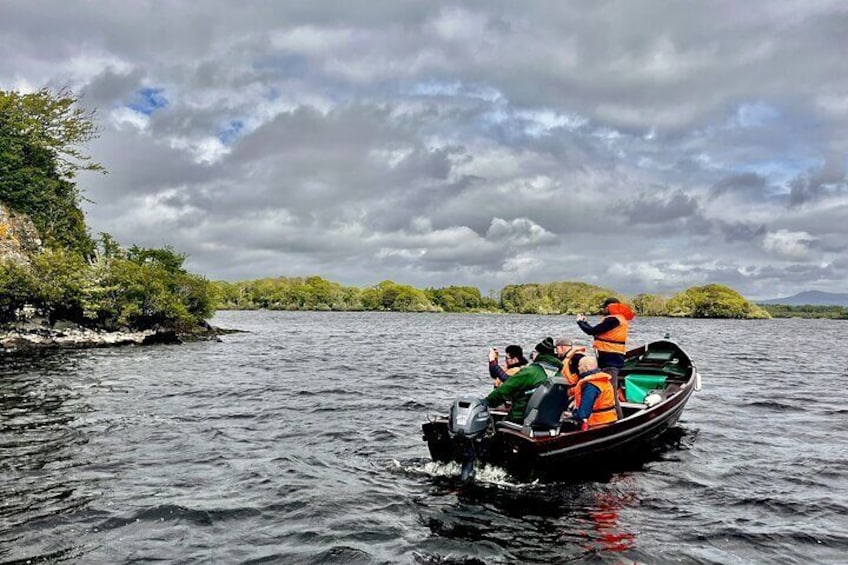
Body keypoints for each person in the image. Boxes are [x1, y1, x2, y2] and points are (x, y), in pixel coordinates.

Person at [576, 297, 635, 417]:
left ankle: (619, 421)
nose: (603, 310)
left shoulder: (612, 320)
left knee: (611, 393)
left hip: (610, 363)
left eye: (605, 307)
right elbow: (597, 332)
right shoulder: (617, 320)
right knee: (607, 391)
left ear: (609, 307)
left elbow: (592, 331)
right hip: (610, 361)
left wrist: (580, 322)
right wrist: (585, 323)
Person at [482, 337, 563, 423]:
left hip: (520, 419)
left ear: (540, 354)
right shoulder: (560, 375)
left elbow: (505, 389)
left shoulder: (531, 372)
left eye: (534, 352)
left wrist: (485, 402)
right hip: (547, 421)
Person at [569, 355, 618, 430]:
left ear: (585, 368)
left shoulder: (591, 385)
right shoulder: (603, 380)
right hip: (610, 418)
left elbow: (583, 413)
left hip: (598, 423)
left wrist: (571, 415)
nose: (578, 368)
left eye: (579, 366)